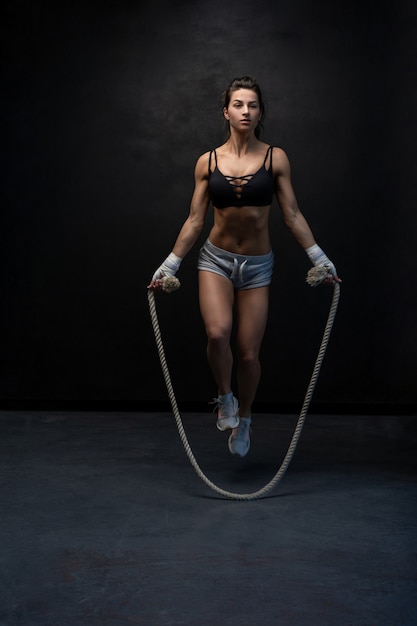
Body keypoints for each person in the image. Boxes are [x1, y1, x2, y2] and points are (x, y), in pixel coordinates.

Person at [148, 76, 341, 458]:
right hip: (215, 260)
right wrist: (169, 265)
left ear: (259, 112)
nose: (245, 111)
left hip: (257, 267)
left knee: (249, 354)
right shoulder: (208, 161)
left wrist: (320, 259)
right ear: (226, 111)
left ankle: (246, 417)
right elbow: (194, 220)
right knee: (218, 334)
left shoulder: (275, 157)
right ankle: (225, 398)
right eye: (238, 104)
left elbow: (292, 215)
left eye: (252, 105)